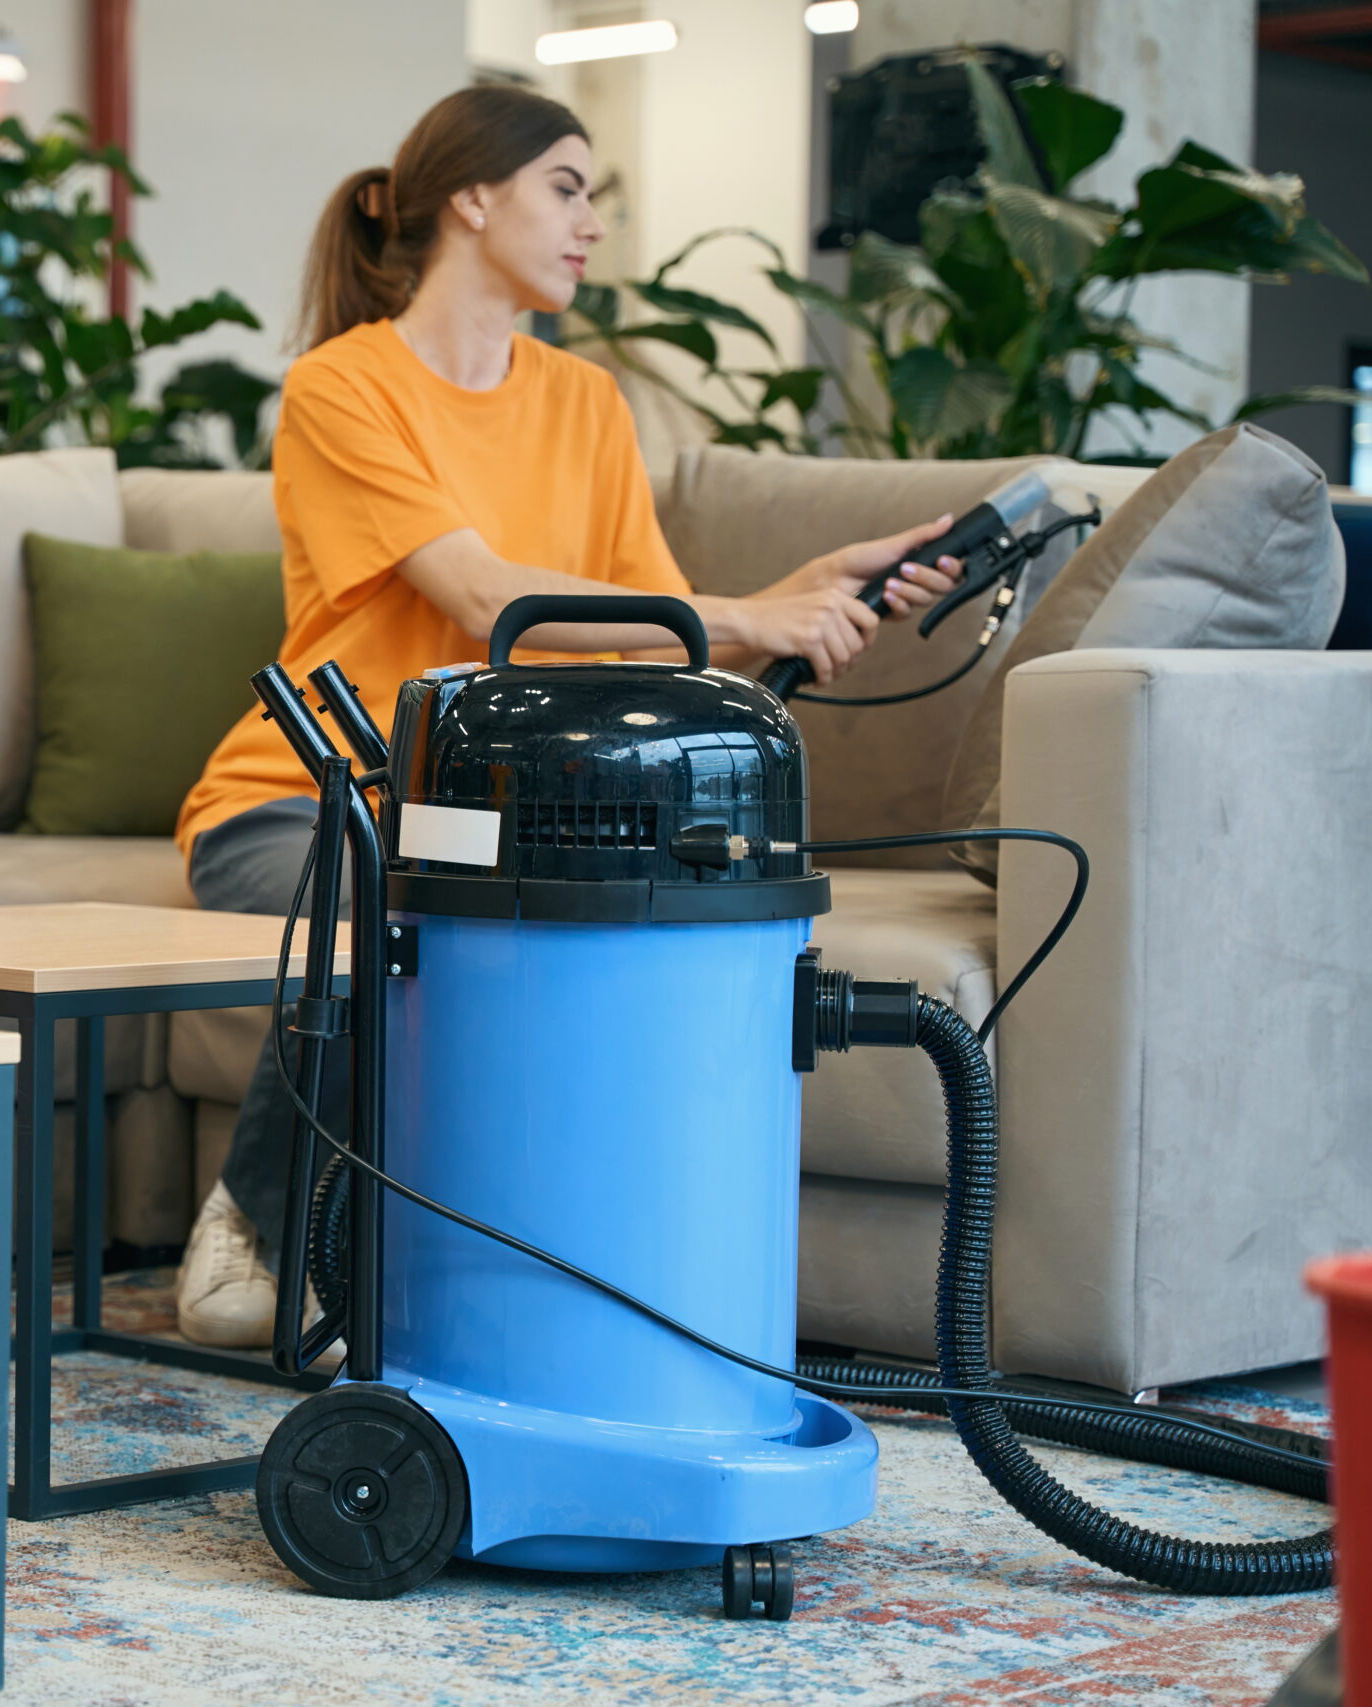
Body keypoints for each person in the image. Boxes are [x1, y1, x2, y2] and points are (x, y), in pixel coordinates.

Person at [170, 85, 967, 1350]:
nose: (591, 223)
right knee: (384, 894)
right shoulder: (342, 389)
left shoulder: (588, 403)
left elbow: (643, 627)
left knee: (533, 917)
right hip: (299, 799)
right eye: (566, 186)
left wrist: (797, 599)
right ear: (470, 199)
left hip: (479, 817)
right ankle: (252, 1221)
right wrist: (752, 613)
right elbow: (488, 597)